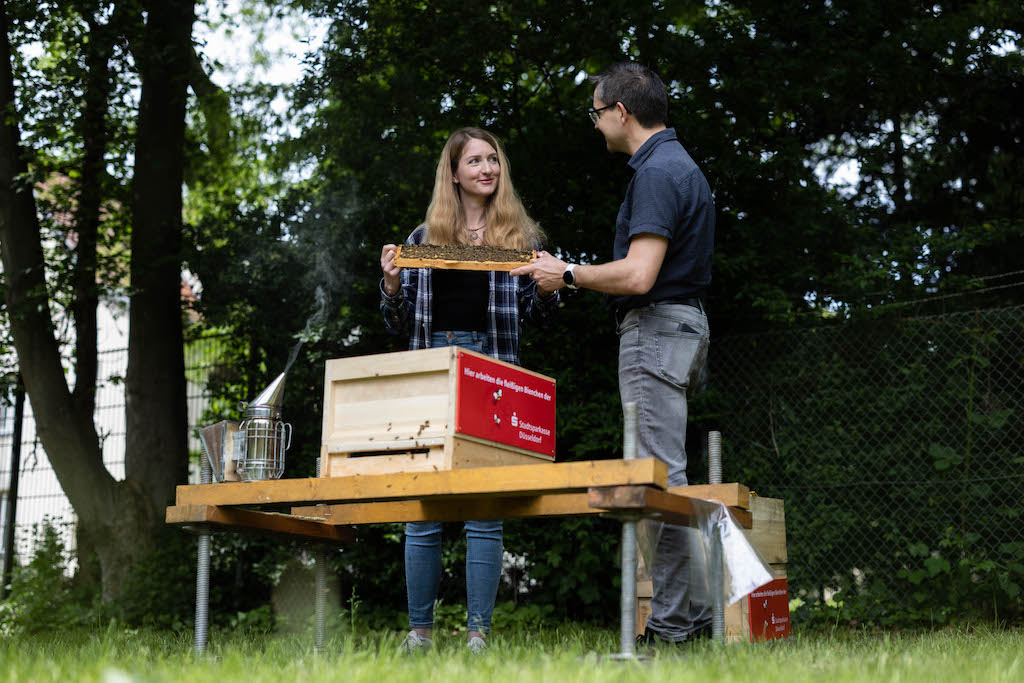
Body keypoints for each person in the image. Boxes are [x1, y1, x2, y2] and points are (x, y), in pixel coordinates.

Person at [510, 62, 715, 644]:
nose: (595, 124)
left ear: (620, 112)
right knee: (669, 475)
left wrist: (567, 274)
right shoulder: (681, 165)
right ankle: (691, 620)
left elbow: (640, 274)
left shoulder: (656, 172)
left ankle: (677, 628)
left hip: (656, 329)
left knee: (657, 481)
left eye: (597, 113)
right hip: (683, 328)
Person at [379, 127, 558, 653]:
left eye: (493, 160)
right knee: (424, 507)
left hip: (494, 368)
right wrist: (390, 284)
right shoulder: (420, 238)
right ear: (453, 172)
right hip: (431, 366)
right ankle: (419, 634)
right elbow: (397, 320)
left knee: (485, 509)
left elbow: (535, 315)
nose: (487, 169)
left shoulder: (520, 238)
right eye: (475, 161)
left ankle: (478, 636)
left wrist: (550, 289)